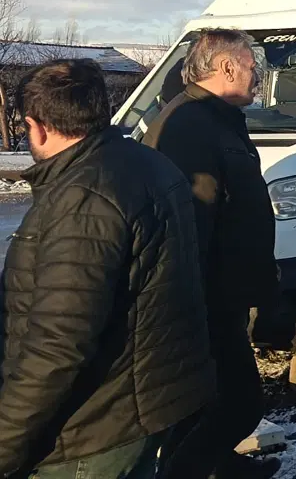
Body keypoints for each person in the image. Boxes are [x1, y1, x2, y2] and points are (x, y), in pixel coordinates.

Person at [0, 59, 214, 478]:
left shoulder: (84, 197)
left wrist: (5, 443)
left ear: (36, 126)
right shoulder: (144, 163)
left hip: (92, 427)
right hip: (141, 401)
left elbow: (58, 345)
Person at [142, 29, 280, 479]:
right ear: (226, 68)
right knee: (242, 404)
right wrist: (191, 306)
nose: (257, 76)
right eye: (251, 67)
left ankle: (222, 468)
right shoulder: (191, 126)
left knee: (204, 401)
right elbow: (189, 226)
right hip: (205, 299)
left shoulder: (215, 119)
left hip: (223, 293)